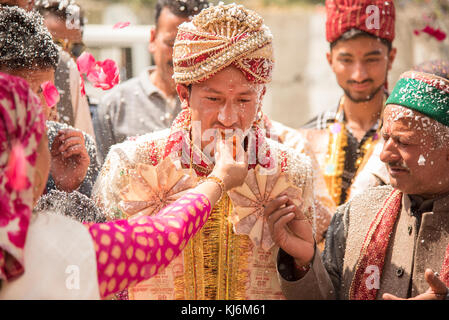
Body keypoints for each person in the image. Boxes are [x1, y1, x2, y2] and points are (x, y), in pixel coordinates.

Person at [93, 3, 319, 300]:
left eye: (243, 100)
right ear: (184, 93)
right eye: (213, 98)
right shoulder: (132, 163)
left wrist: (305, 261)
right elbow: (101, 281)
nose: (228, 117)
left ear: (261, 96)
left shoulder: (292, 171)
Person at [0, 71, 249, 299]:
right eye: (43, 136)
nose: (228, 118)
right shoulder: (57, 245)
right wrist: (219, 180)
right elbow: (161, 237)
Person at [269, 70, 449, 300]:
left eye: (403, 142)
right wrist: (305, 262)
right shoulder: (356, 214)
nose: (385, 155)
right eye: (386, 139)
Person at [299, 0, 397, 206]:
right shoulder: (305, 139)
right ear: (330, 60)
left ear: (391, 57)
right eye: (346, 60)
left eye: (371, 59)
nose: (358, 74)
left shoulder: (409, 138)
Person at [94, 0, 210, 164]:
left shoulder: (217, 105)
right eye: (172, 43)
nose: (182, 55)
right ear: (153, 39)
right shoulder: (115, 106)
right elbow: (99, 180)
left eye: (194, 44)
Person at [0, 5, 99, 196]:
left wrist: (67, 189)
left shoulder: (71, 151)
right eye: (20, 94)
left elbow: (92, 226)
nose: (35, 107)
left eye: (43, 91)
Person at [35, 0, 95, 138]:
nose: (65, 55)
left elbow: (89, 154)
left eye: (76, 48)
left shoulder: (72, 78)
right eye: (55, 45)